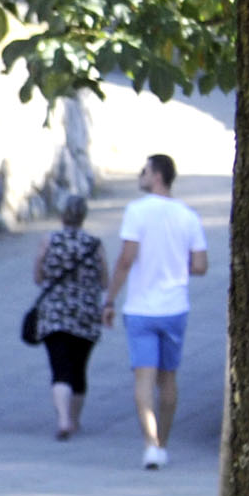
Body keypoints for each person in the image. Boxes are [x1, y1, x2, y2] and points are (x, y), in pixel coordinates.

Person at [104, 153, 209, 470]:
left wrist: (109, 300)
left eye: (145, 171)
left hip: (141, 308)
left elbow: (125, 260)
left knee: (144, 378)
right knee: (169, 379)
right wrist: (177, 266)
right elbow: (201, 265)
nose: (141, 175)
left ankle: (150, 445)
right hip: (175, 306)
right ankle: (163, 442)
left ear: (157, 176)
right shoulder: (188, 216)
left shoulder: (137, 212)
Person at [31, 193, 107, 440]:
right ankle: (74, 420)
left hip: (54, 313)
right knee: (79, 369)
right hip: (85, 314)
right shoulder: (95, 244)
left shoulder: (49, 240)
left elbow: (38, 277)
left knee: (59, 367)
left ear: (62, 215)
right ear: (83, 216)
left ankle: (62, 420)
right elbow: (104, 281)